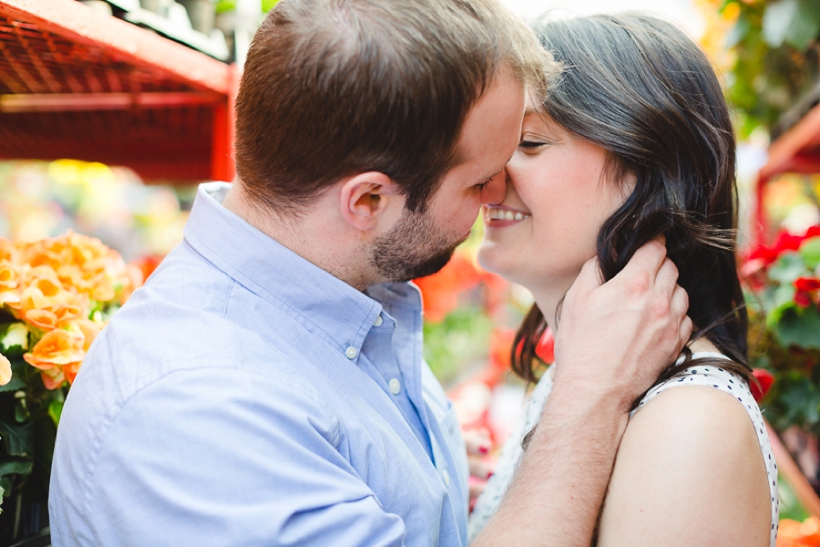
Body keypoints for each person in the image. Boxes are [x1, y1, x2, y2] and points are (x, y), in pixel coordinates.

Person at [49, 2, 690, 546]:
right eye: (477, 179)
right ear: (368, 202)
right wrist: (589, 396)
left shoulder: (340, 298)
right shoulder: (199, 409)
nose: (500, 189)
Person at [469, 12, 777, 547]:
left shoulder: (687, 426)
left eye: (531, 143)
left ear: (651, 175)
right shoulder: (592, 374)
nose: (487, 175)